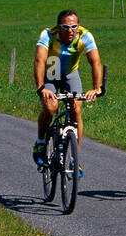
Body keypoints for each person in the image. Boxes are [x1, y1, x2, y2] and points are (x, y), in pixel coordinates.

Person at [32, 10, 103, 172]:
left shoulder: (85, 36)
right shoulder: (48, 35)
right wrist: (41, 87)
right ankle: (41, 143)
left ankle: (74, 158)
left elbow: (96, 62)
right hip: (52, 70)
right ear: (59, 27)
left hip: (71, 73)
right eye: (66, 26)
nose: (70, 30)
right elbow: (39, 60)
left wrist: (97, 88)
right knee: (51, 107)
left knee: (76, 109)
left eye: (74, 26)